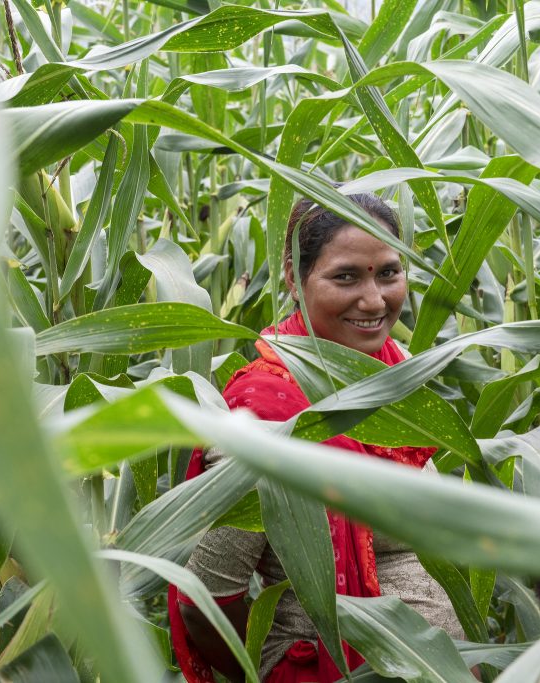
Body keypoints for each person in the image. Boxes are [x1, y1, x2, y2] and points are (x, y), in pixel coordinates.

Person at [169, 194, 464, 682]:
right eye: (346, 276)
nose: (374, 300)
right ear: (293, 277)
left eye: (388, 273)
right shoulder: (266, 416)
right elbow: (204, 601)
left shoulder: (391, 374)